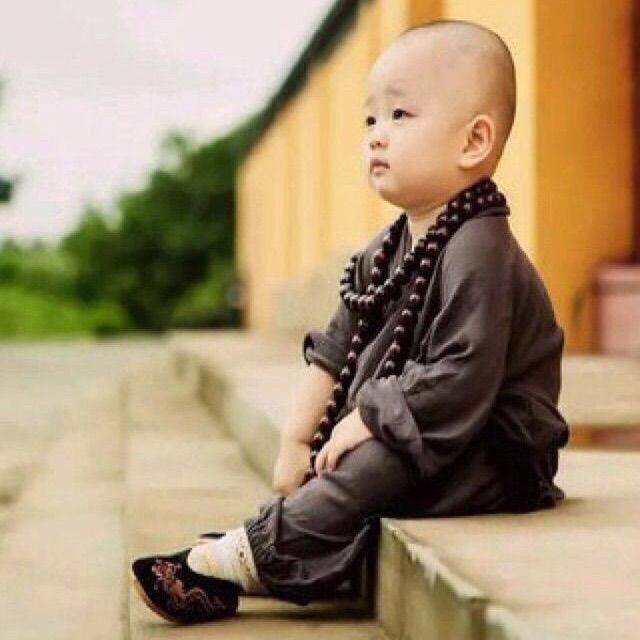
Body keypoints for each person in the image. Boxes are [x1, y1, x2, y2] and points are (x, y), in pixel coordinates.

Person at [130, 18, 570, 625]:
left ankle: (240, 557)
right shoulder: (388, 247)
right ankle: (261, 549)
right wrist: (297, 441)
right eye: (369, 120)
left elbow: (463, 377)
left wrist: (368, 417)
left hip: (493, 451)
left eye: (400, 116)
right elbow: (336, 349)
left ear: (473, 141)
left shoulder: (480, 247)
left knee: (380, 458)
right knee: (347, 452)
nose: (376, 136)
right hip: (426, 429)